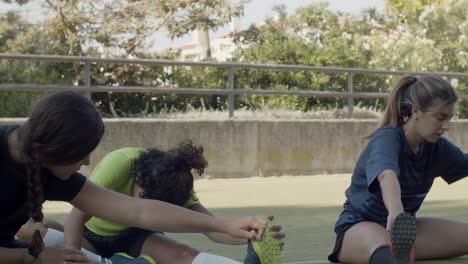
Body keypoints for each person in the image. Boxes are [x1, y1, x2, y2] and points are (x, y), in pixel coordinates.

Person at [1, 91, 270, 264]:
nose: (87, 162)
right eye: (82, 154)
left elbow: (139, 211)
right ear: (57, 148)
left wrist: (225, 226)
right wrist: (29, 258)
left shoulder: (46, 166)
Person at [18, 140, 285, 264]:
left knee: (182, 254)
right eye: (146, 199)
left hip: (137, 239)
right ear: (139, 178)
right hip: (90, 236)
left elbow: (214, 230)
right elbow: (78, 215)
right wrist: (71, 256)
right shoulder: (121, 162)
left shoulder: (177, 183)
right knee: (31, 231)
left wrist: (250, 237)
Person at [328, 75, 468, 264]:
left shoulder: (436, 146)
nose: (446, 126)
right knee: (393, 258)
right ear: (416, 111)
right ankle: (396, 256)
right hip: (359, 228)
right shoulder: (388, 137)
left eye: (449, 118)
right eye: (440, 117)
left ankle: (401, 252)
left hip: (400, 235)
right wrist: (396, 211)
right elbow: (387, 174)